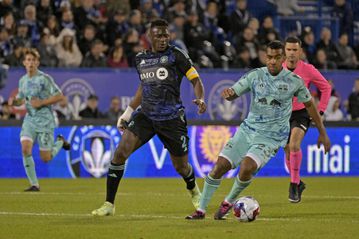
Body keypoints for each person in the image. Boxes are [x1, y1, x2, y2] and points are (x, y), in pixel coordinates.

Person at [185, 40, 330, 220]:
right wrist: (229, 95)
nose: (272, 61)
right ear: (265, 57)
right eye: (269, 57)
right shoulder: (255, 75)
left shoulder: (295, 81)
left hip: (271, 137)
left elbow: (310, 106)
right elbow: (234, 91)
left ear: (282, 58)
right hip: (247, 131)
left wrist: (322, 132)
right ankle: (201, 211)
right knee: (219, 166)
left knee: (247, 167)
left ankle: (228, 203)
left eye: (277, 58)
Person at [92, 19, 207, 216]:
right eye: (158, 35)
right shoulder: (140, 59)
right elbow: (143, 87)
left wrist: (201, 98)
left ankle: (194, 190)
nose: (162, 39)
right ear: (149, 37)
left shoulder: (176, 55)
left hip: (171, 118)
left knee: (181, 167)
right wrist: (128, 113)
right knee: (120, 153)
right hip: (146, 115)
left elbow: (195, 79)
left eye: (165, 35)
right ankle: (109, 204)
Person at [9, 48, 70, 191]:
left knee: (46, 158)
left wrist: (41, 103)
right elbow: (21, 99)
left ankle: (60, 141)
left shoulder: (44, 79)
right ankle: (34, 184)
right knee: (25, 149)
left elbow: (60, 96)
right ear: (24, 63)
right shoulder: (22, 81)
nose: (31, 63)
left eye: (33, 60)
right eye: (28, 60)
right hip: (30, 119)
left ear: (37, 63)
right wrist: (15, 102)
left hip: (45, 121)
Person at [283, 36, 331, 203]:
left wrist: (321, 111)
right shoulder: (277, 69)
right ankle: (298, 182)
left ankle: (294, 184)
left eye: (295, 50)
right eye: (288, 49)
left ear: (300, 52)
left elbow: (326, 87)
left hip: (301, 113)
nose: (291, 53)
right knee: (287, 149)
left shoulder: (308, 70)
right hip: (282, 115)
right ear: (284, 51)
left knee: (294, 145)